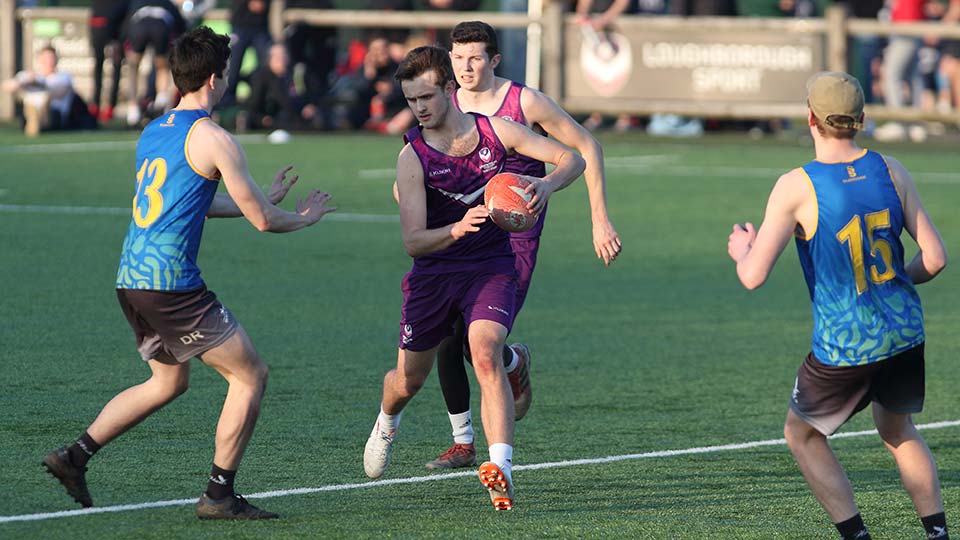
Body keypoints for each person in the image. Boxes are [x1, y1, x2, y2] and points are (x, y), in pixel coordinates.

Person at [41, 26, 336, 520]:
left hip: (131, 279)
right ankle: (219, 496)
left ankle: (74, 456)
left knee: (167, 383)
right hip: (171, 285)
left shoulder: (154, 130)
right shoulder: (217, 137)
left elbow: (189, 201)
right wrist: (302, 216)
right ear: (217, 78)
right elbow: (264, 222)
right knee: (251, 375)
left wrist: (259, 197)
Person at [727, 71, 949, 540]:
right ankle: (938, 533)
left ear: (809, 118)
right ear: (862, 120)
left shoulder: (796, 185)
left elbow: (753, 276)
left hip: (848, 344)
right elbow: (935, 258)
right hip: (905, 331)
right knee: (898, 429)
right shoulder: (891, 169)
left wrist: (741, 248)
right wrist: (891, 283)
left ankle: (857, 536)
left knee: (802, 434)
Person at [363, 45, 585, 511]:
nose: (419, 108)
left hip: (490, 267)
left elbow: (572, 159)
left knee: (483, 352)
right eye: (410, 100)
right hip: (434, 276)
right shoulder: (412, 157)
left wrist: (546, 184)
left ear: (449, 89)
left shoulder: (495, 132)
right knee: (407, 380)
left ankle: (500, 468)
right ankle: (386, 422)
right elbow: (413, 242)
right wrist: (455, 228)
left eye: (426, 96)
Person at [420, 20, 622, 472]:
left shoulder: (523, 101)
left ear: (493, 60)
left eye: (475, 58)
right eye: (457, 58)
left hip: (513, 243)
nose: (466, 67)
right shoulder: (445, 104)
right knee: (446, 335)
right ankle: (462, 441)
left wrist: (594, 215)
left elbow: (587, 146)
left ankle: (513, 362)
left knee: (481, 344)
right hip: (463, 233)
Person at [2, 46, 97, 137]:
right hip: (29, 111)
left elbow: (60, 92)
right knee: (28, 106)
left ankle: (38, 119)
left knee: (48, 107)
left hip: (55, 115)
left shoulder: (63, 77)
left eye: (52, 58)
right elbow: (7, 86)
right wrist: (25, 83)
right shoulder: (30, 76)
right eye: (46, 58)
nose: (49, 61)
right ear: (39, 59)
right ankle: (34, 117)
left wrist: (41, 86)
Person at [123, 0, 187, 126]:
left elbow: (127, 23)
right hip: (160, 26)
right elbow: (181, 26)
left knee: (133, 67)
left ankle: (133, 110)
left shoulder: (137, 3)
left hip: (139, 26)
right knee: (162, 66)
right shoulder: (168, 3)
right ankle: (160, 101)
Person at [89, 0, 128, 123]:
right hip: (103, 21)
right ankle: (99, 106)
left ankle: (105, 107)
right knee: (103, 64)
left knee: (108, 65)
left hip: (106, 21)